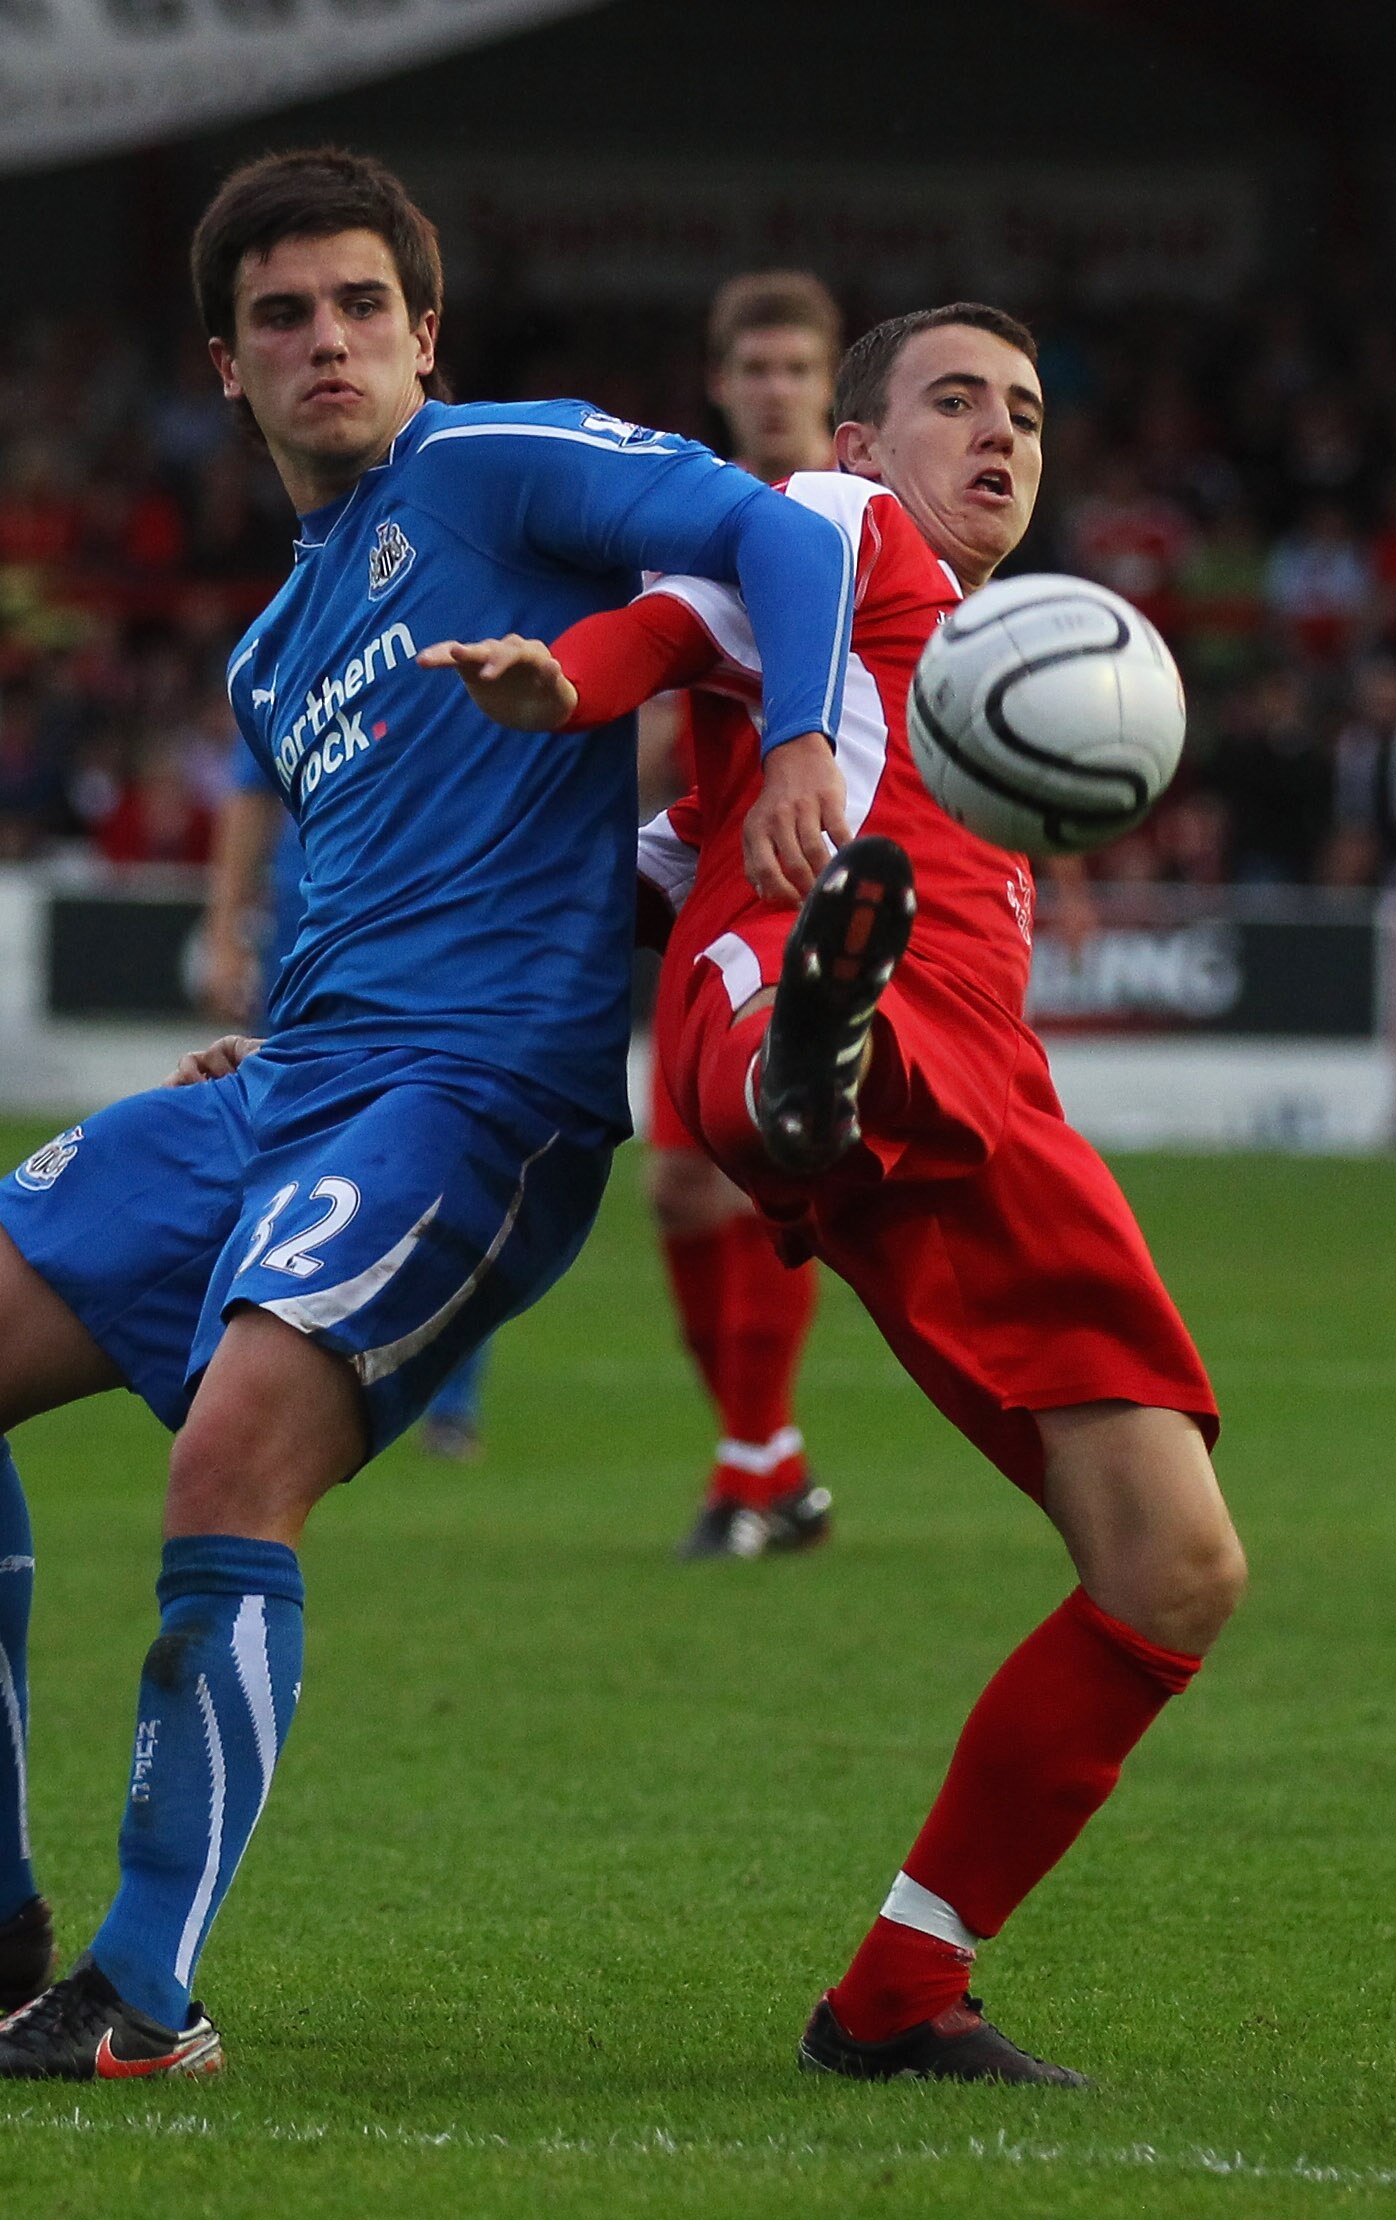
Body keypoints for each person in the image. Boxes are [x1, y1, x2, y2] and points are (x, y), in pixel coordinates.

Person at [0, 147, 858, 2080]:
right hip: (296, 1084)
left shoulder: (496, 463)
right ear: (225, 368)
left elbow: (797, 538)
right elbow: (367, 865)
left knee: (233, 1460)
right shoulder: (273, 650)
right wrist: (267, 1028)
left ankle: (142, 2001)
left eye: (356, 309)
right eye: (279, 318)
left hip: (474, 1099)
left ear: (427, 335)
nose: (322, 342)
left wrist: (807, 743)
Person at [428, 303, 1245, 2086]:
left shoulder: (1010, 643)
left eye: (1028, 410)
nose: (1004, 436)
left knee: (1175, 1569)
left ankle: (896, 1999)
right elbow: (673, 614)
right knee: (785, 1037)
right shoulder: (829, 523)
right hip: (792, 949)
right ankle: (813, 1084)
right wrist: (568, 682)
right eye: (957, 401)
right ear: (867, 442)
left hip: (990, 1099)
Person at [651, 270, 843, 1559]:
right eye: (754, 370)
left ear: (832, 393)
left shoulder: (867, 522)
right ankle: (768, 1457)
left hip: (822, 889)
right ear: (721, 385)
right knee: (676, 1188)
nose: (773, 390)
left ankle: (744, 1465)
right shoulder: (686, 524)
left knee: (766, 1168)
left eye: (796, 371)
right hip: (708, 881)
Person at [201, 743, 492, 1459]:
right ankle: (253, 1371)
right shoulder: (297, 642)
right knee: (282, 1159)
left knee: (445, 1162)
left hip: (429, 939)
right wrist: (225, 932)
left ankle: (445, 1398)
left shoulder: (453, 650)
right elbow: (251, 791)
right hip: (307, 942)